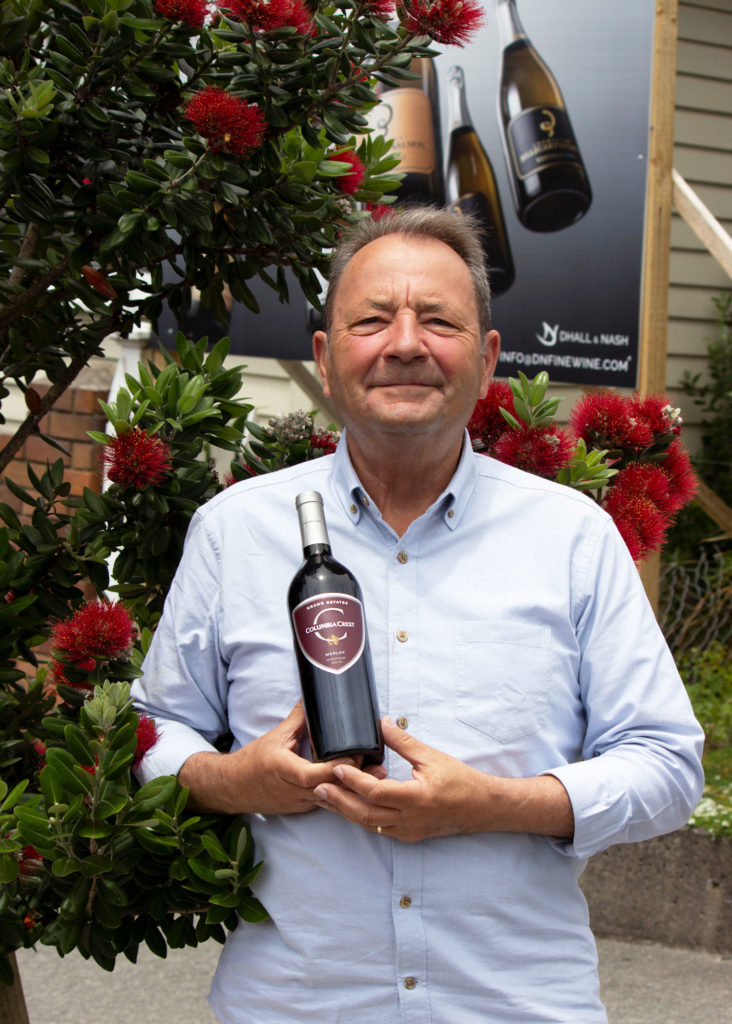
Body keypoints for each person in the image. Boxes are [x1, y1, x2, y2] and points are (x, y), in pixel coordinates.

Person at [131, 207, 704, 1024]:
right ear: (326, 359)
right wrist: (231, 780)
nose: (405, 343)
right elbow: (157, 729)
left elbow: (668, 764)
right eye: (371, 321)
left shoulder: (573, 539)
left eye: (438, 320)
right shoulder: (233, 534)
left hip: (516, 1007)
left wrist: (495, 803)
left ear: (487, 358)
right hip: (295, 1007)